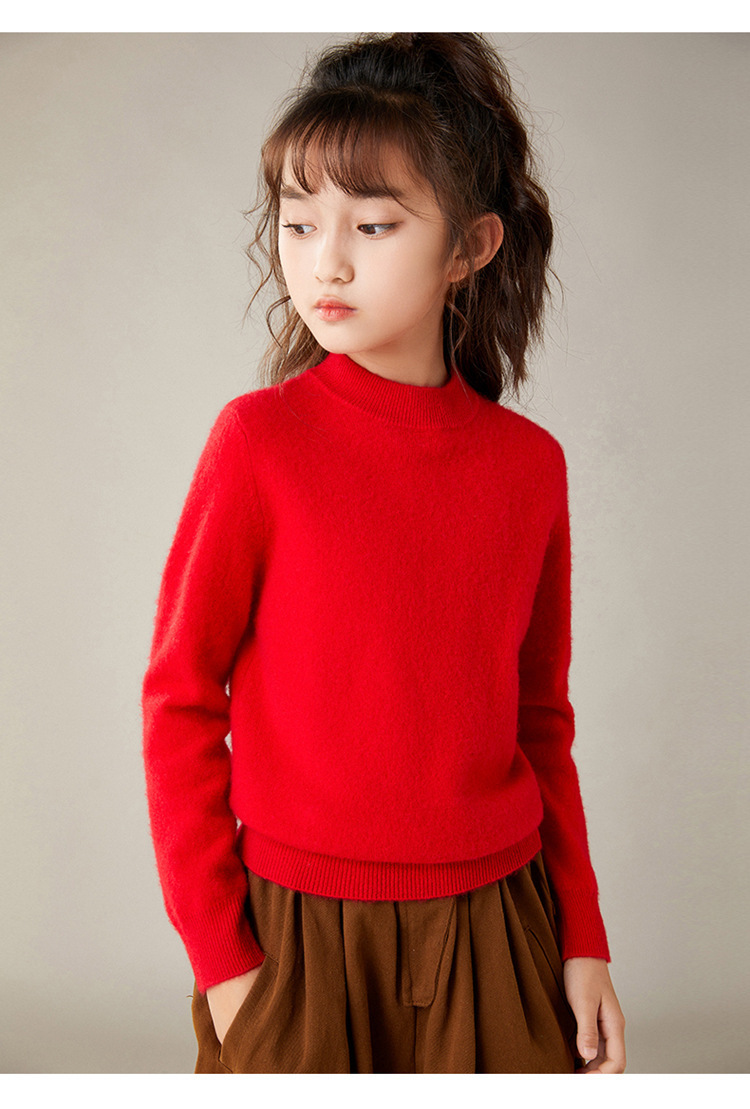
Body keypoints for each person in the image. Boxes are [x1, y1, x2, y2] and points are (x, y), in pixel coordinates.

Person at [141, 32, 626, 1074]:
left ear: (471, 247)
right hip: (297, 933)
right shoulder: (259, 444)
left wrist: (582, 933)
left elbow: (540, 717)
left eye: (372, 223)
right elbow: (178, 699)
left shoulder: (528, 468)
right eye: (299, 221)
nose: (327, 260)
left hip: (499, 923)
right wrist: (224, 961)